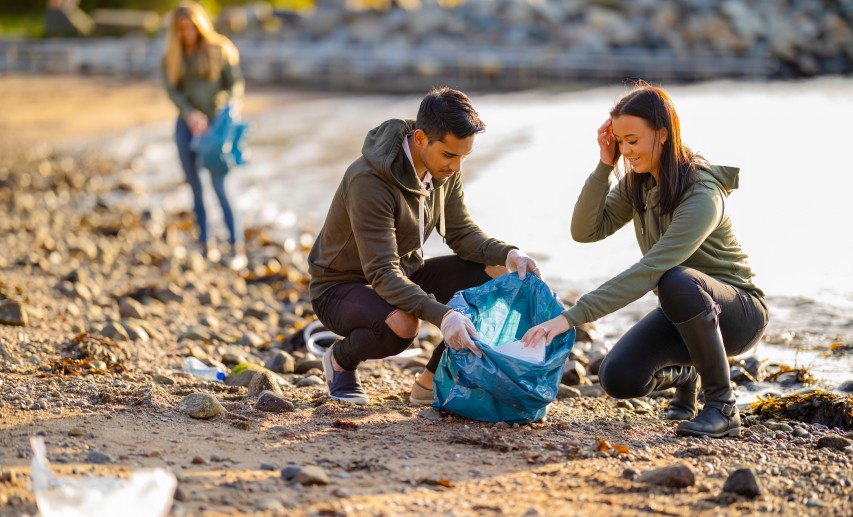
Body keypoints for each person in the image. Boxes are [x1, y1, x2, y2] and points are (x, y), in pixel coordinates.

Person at [522, 83, 768, 438]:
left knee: (676, 279)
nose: (626, 150)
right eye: (619, 141)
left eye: (632, 140)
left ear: (662, 134)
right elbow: (586, 230)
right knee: (617, 378)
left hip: (739, 313)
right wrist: (605, 165)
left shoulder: (702, 193)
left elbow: (652, 269)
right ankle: (688, 375)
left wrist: (570, 318)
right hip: (684, 309)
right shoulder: (638, 182)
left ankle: (722, 406)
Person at [308, 87, 541, 405]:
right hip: (340, 287)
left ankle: (430, 383)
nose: (457, 167)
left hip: (403, 273)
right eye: (450, 155)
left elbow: (460, 233)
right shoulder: (369, 182)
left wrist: (510, 253)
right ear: (420, 139)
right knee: (403, 325)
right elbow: (381, 272)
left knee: (502, 276)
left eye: (463, 156)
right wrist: (444, 316)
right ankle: (339, 361)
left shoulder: (442, 170)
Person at [163, 1, 246, 269]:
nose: (187, 33)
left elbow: (235, 85)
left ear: (200, 25)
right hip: (187, 125)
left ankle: (236, 247)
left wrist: (227, 108)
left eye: (191, 27)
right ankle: (205, 245)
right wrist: (189, 114)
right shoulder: (173, 56)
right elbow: (174, 91)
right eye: (182, 28)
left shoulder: (219, 49)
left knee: (221, 186)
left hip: (218, 125)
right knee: (195, 187)